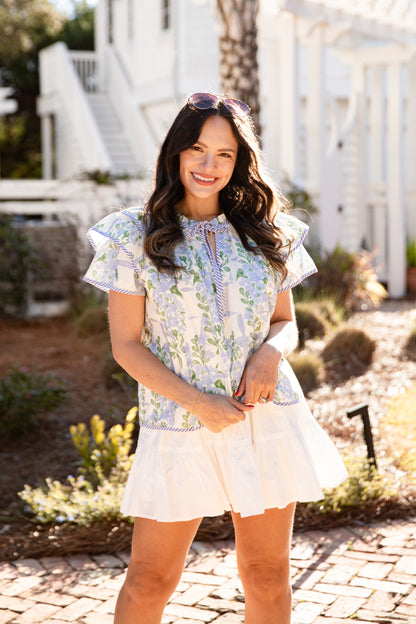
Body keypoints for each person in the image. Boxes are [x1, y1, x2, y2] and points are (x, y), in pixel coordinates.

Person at [84, 92, 348, 624]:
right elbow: (126, 345)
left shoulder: (266, 231)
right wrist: (199, 403)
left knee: (267, 574)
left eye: (224, 154)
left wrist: (271, 355)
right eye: (198, 150)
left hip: (264, 417)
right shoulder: (133, 236)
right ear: (176, 154)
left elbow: (285, 322)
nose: (209, 166)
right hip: (179, 422)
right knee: (150, 580)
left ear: (240, 161)